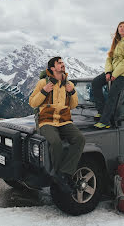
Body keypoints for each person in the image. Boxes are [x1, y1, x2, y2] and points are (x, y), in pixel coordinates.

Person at [29, 57, 85, 194]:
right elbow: (32, 103)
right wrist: (44, 91)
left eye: (63, 63)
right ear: (52, 68)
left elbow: (73, 105)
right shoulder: (43, 82)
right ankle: (59, 176)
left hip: (64, 121)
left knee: (80, 139)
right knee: (55, 142)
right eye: (59, 63)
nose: (63, 65)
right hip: (46, 121)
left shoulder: (68, 83)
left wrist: (72, 92)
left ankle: (63, 174)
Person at [93, 21, 124, 129]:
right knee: (95, 83)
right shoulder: (116, 41)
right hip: (113, 70)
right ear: (117, 29)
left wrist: (115, 74)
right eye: (120, 27)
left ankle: (105, 121)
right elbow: (109, 58)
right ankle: (102, 111)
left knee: (112, 94)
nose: (122, 28)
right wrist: (108, 72)